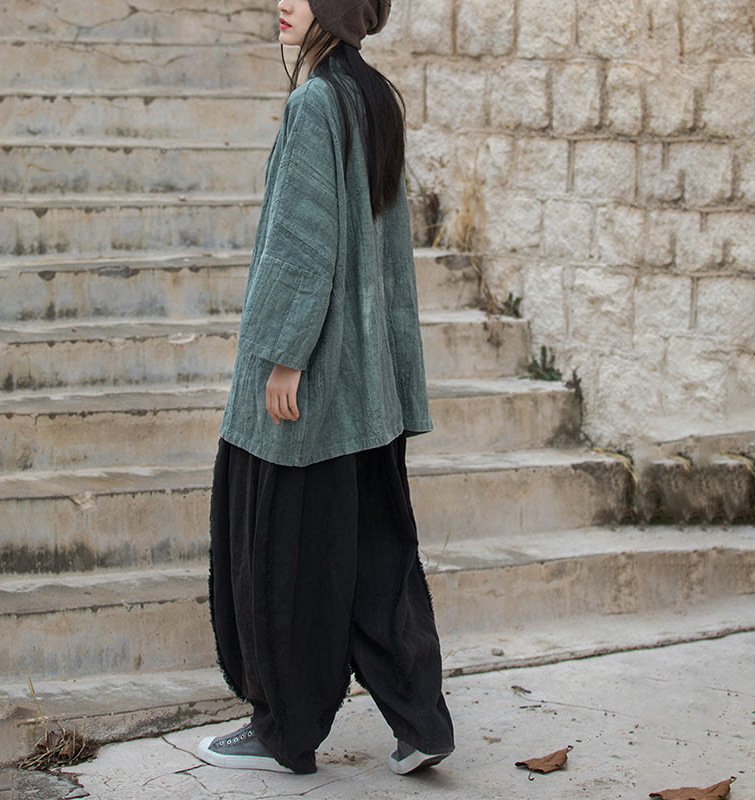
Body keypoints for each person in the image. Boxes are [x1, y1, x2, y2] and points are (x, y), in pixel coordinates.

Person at [197, 0, 455, 777]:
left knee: (281, 556)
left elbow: (304, 243)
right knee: (379, 557)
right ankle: (422, 723)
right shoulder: (374, 98)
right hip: (366, 388)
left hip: (310, 389)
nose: (284, 4)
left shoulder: (315, 101)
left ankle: (283, 727)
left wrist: (283, 356)